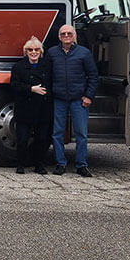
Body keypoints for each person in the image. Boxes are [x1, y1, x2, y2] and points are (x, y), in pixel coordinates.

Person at [47, 24, 99, 176]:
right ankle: (60, 164)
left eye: (69, 33)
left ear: (74, 36)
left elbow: (93, 76)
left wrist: (88, 96)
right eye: (63, 34)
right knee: (57, 133)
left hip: (79, 100)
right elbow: (47, 76)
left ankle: (81, 165)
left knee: (81, 134)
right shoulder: (52, 53)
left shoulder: (84, 53)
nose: (66, 36)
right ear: (59, 37)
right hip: (59, 99)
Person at [9, 37, 53, 174]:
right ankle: (20, 164)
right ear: (26, 52)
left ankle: (39, 165)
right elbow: (14, 85)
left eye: (37, 49)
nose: (34, 52)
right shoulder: (18, 67)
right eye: (30, 50)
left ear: (41, 51)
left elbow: (53, 83)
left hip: (43, 108)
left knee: (41, 139)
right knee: (22, 139)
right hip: (25, 108)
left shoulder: (48, 66)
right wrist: (31, 89)